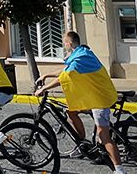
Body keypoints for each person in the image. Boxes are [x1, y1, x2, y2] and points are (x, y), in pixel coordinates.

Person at [36, 31, 124, 173]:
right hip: (94, 96)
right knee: (71, 111)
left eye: (64, 42)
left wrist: (44, 88)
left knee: (104, 137)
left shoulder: (80, 58)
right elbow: (66, 70)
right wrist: (46, 75)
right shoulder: (82, 53)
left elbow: (64, 77)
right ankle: (81, 144)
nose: (64, 45)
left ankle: (119, 170)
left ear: (69, 44)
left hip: (100, 99)